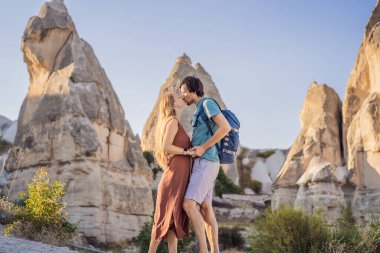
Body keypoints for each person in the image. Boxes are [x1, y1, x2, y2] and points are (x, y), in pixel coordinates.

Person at [180, 76, 231, 253]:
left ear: (193, 89)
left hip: (207, 162)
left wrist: (202, 147)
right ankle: (215, 250)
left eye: (184, 91)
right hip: (205, 162)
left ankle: (203, 250)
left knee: (188, 204)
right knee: (206, 207)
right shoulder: (198, 110)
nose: (183, 96)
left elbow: (225, 128)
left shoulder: (208, 103)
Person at [148, 93, 195, 253]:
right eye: (177, 97)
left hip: (178, 177)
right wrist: (187, 152)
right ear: (172, 103)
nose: (182, 97)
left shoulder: (175, 122)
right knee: (162, 222)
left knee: (173, 226)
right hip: (173, 179)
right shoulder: (173, 121)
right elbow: (166, 147)